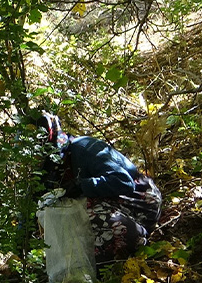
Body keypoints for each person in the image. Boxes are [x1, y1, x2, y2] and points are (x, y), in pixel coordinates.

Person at [36, 112, 162, 263]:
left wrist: (82, 185)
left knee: (84, 215)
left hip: (139, 200)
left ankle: (134, 237)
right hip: (108, 204)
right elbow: (34, 207)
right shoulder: (47, 170)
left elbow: (124, 182)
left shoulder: (83, 148)